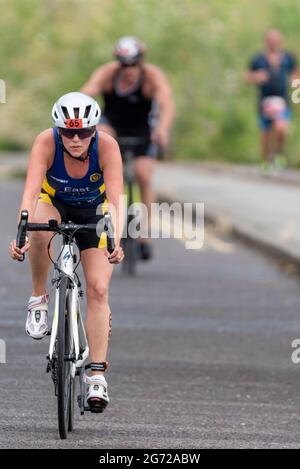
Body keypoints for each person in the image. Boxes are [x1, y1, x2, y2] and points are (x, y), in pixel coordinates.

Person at [9, 92, 124, 412]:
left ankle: (97, 375)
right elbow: (30, 192)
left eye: (84, 132)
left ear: (94, 130)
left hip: (95, 212)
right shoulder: (46, 142)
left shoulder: (107, 146)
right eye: (68, 132)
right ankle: (38, 297)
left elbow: (115, 200)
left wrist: (116, 241)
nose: (76, 139)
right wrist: (21, 232)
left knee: (99, 288)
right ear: (58, 130)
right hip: (54, 204)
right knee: (40, 223)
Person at [81, 36, 175, 259]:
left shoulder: (151, 76)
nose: (128, 69)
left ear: (141, 61)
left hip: (142, 129)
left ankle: (144, 233)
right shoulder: (107, 73)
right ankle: (104, 215)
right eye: (124, 64)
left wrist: (162, 130)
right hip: (112, 126)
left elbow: (166, 103)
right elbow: (86, 93)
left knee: (143, 174)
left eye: (134, 63)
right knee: (101, 135)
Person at [247, 29, 299, 171]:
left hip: (282, 100)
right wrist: (256, 77)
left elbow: (296, 77)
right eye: (272, 39)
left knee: (281, 129)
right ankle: (265, 162)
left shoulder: (288, 58)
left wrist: (295, 89)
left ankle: (279, 154)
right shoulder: (258, 59)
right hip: (265, 101)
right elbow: (248, 76)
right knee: (265, 133)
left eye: (277, 39)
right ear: (266, 41)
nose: (274, 42)